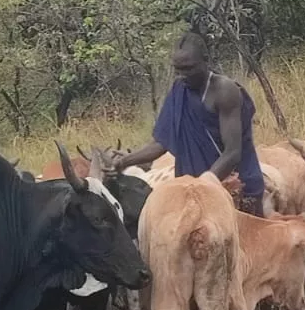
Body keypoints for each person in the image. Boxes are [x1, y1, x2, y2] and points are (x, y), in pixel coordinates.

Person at [113, 32, 264, 216]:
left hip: (234, 186)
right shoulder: (179, 91)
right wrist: (123, 162)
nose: (182, 76)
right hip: (194, 191)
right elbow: (161, 144)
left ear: (206, 60)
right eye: (178, 70)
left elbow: (232, 152)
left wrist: (203, 185)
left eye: (189, 68)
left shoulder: (225, 90)